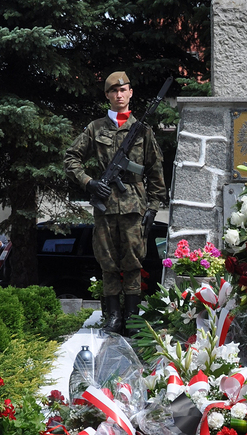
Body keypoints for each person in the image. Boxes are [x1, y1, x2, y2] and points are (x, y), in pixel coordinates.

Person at [64, 71, 167, 335]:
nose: (119, 95)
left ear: (130, 93)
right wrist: (89, 182)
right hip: (106, 205)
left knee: (134, 261)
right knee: (107, 261)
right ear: (108, 95)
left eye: (124, 90)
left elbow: (155, 170)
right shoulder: (95, 128)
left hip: (135, 206)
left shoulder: (143, 130)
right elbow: (71, 158)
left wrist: (153, 207)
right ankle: (113, 316)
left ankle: (132, 315)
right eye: (114, 91)